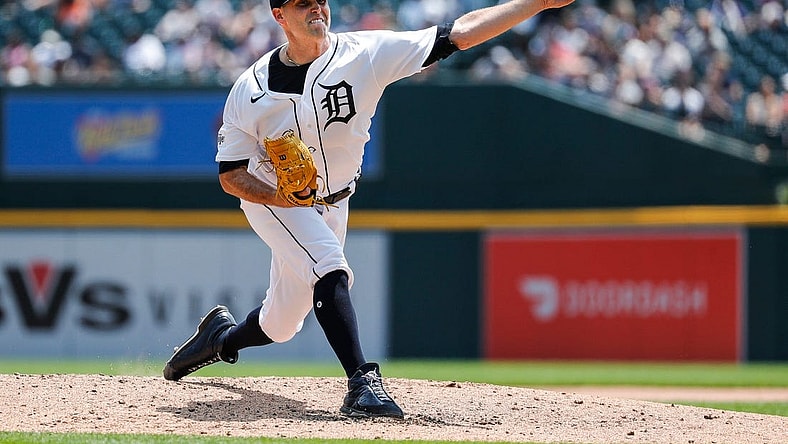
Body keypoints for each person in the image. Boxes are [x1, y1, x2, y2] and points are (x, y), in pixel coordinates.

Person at [163, 0, 575, 418]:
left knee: (282, 324)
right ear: (279, 15)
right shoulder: (250, 89)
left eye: (320, 1)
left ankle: (220, 338)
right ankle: (362, 382)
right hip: (273, 198)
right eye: (302, 4)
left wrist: (537, 3)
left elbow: (460, 34)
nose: (316, 9)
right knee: (329, 265)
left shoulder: (366, 53)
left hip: (336, 199)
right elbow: (230, 174)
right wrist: (279, 198)